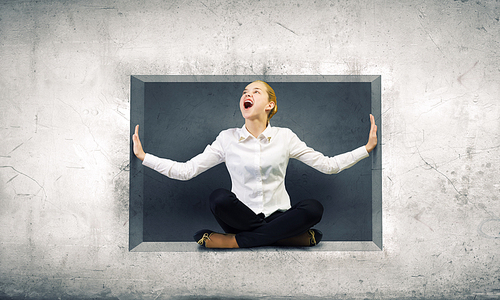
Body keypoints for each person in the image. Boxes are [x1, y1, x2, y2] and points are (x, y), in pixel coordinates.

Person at [132, 80, 378, 249]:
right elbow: (186, 171)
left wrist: (365, 149)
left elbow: (328, 165)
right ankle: (284, 239)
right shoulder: (227, 138)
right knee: (218, 198)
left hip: (281, 216)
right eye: (245, 92)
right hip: (241, 218)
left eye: (256, 92)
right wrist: (145, 157)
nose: (247, 95)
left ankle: (234, 242)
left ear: (270, 105)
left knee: (313, 207)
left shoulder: (285, 137)